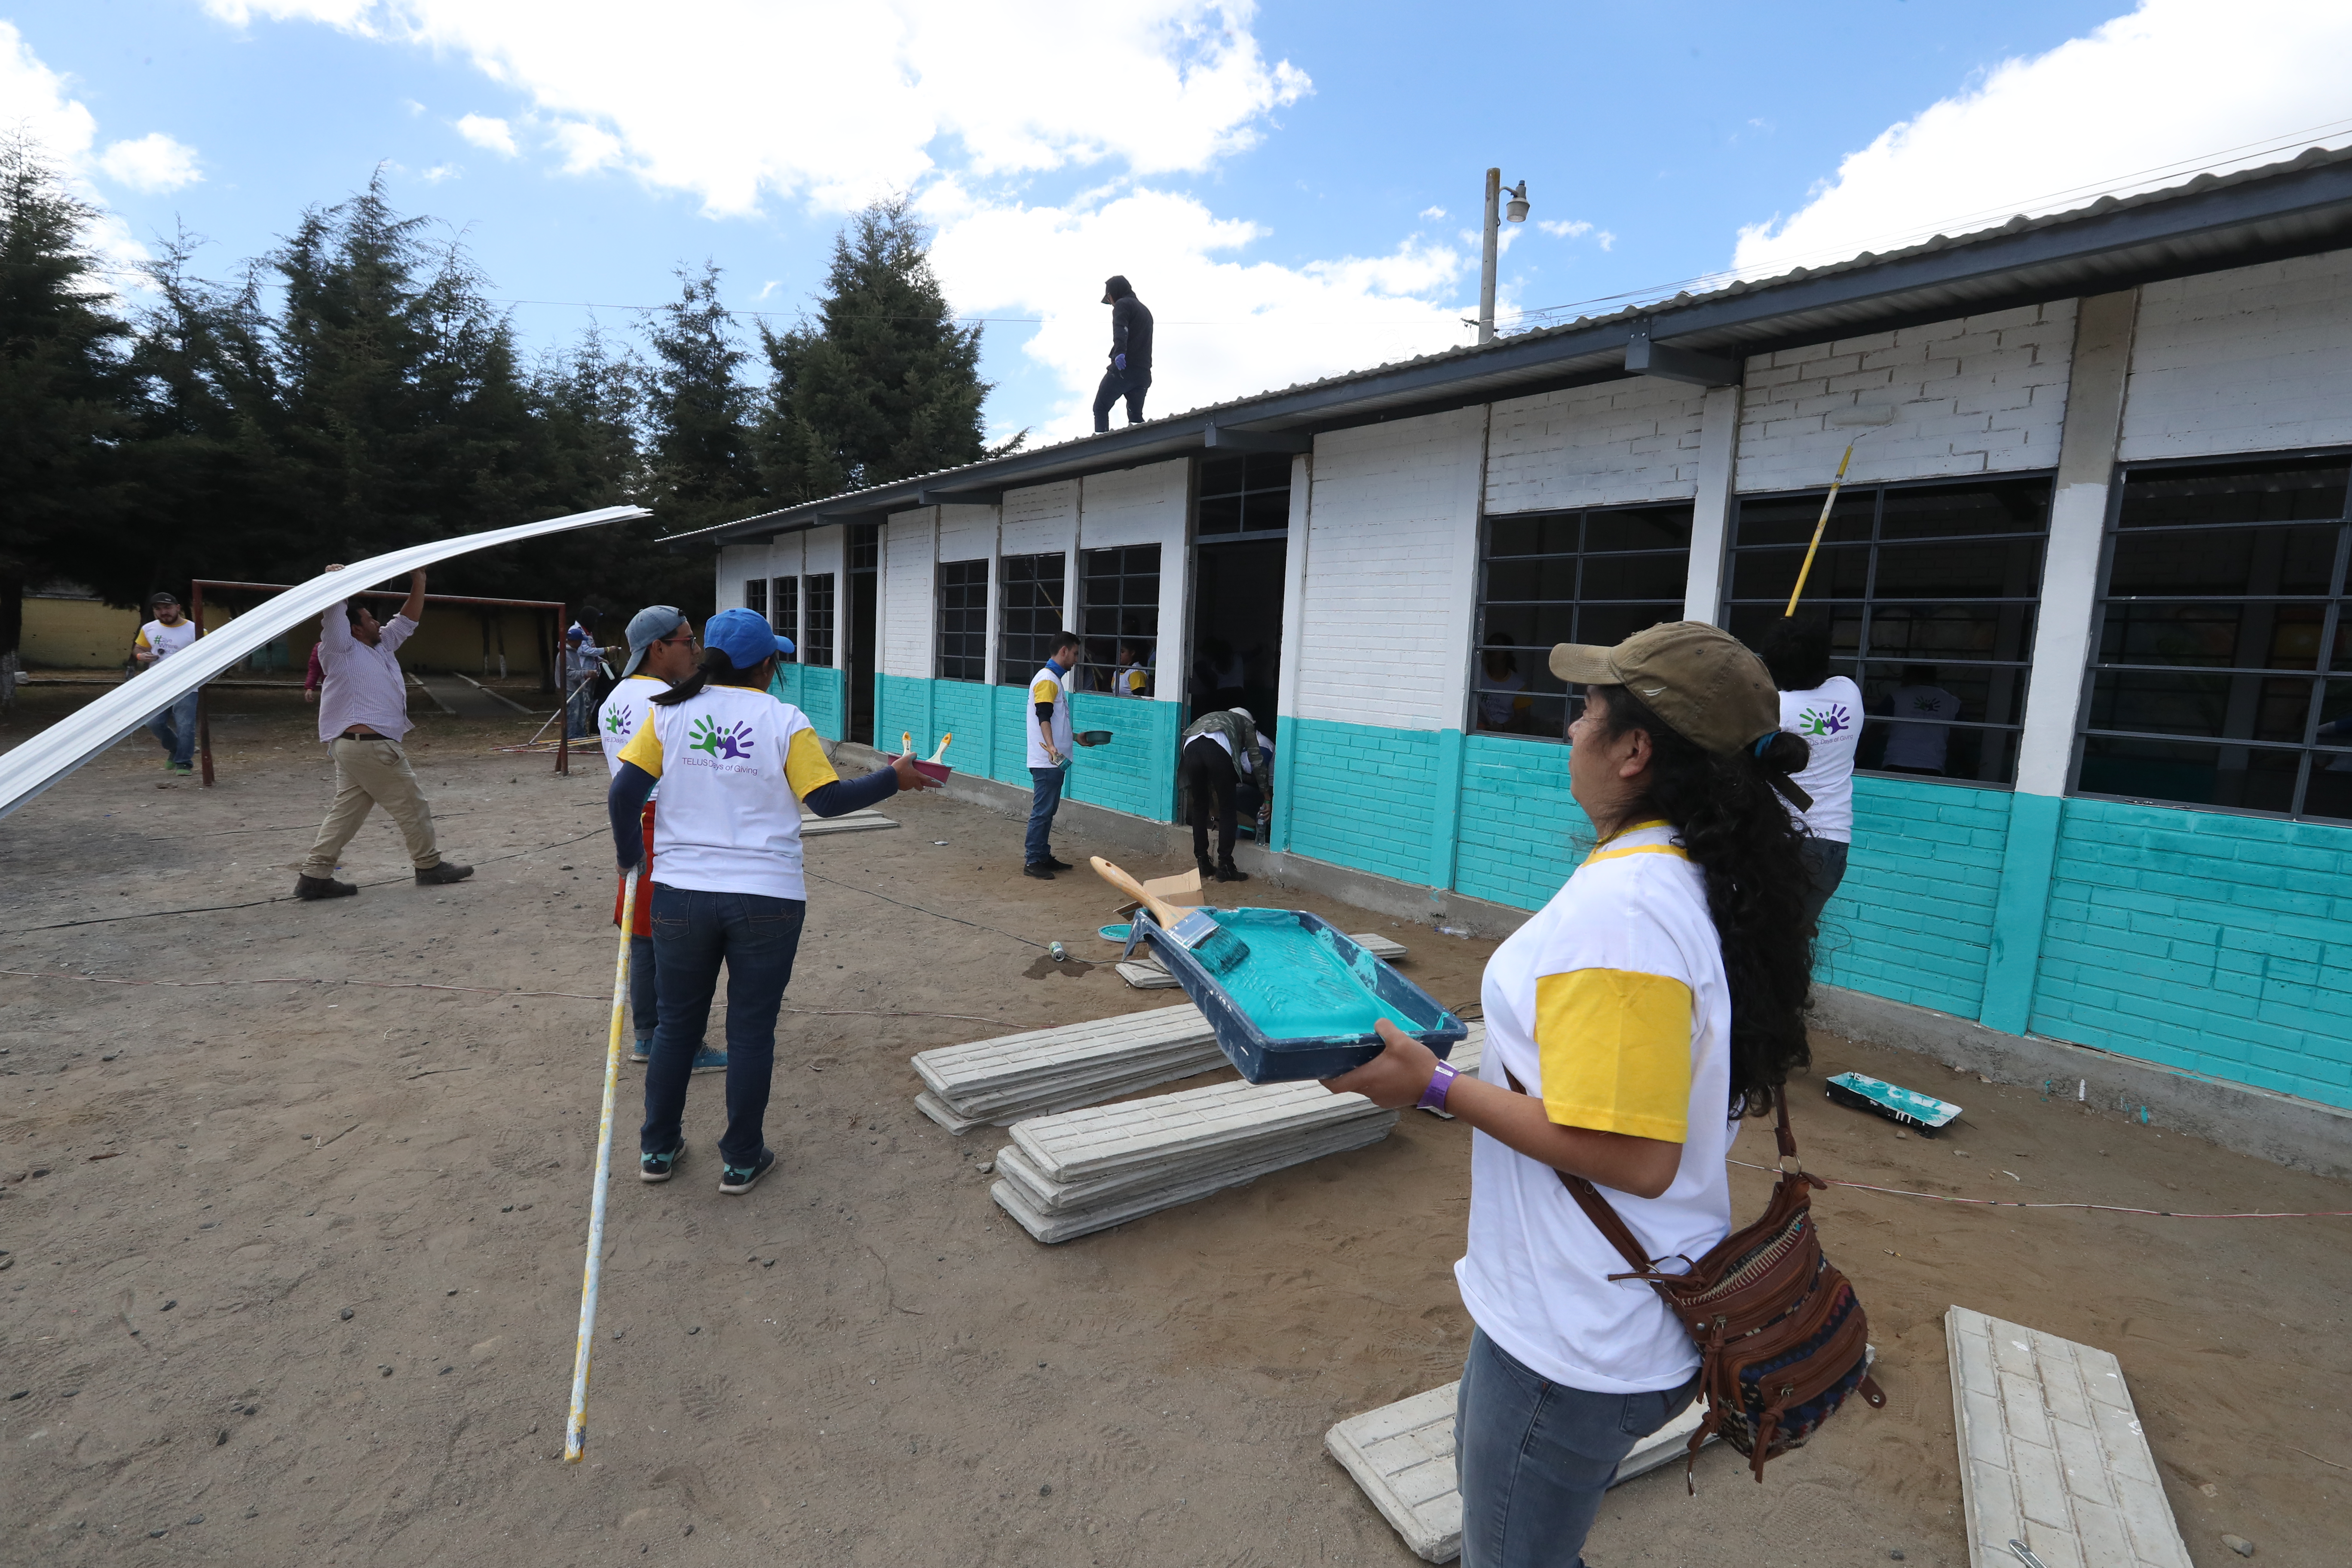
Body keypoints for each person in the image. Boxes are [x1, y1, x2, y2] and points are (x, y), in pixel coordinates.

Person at [1323, 621, 1816, 1568]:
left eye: (1587, 711)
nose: (1571, 730)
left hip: (1578, 1334)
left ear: (1635, 750)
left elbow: (1635, 1156)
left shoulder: (1625, 911)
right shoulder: (1692, 874)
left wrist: (1434, 1085)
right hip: (1590, 1303)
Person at [606, 608, 937, 1194]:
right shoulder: (784, 719)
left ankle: (657, 1149)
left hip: (681, 896)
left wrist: (632, 857)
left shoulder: (669, 714)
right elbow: (827, 802)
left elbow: (625, 791)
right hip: (767, 898)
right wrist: (896, 778)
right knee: (751, 1031)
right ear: (766, 664)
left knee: (678, 1026)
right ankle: (741, 1158)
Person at [599, 605, 726, 1076]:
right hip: (670, 825)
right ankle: (676, 1042)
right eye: (687, 641)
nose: (695, 651)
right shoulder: (670, 702)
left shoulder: (614, 698)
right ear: (657, 648)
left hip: (637, 822)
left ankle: (648, 1034)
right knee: (677, 943)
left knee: (643, 935)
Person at [296, 567, 472, 900]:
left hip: (356, 748)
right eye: (370, 620)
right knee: (413, 804)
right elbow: (333, 615)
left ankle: (314, 876)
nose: (378, 623)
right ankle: (429, 866)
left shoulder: (381, 646)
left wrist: (419, 581)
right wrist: (337, 583)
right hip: (370, 746)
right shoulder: (339, 648)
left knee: (346, 812)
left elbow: (407, 620)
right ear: (354, 629)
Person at [1759, 618, 1862, 936]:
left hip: (1785, 844)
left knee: (1760, 945)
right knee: (1791, 947)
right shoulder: (1849, 692)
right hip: (1833, 847)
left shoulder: (1773, 712)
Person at [1023, 630, 1084, 880]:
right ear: (1064, 651)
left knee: (1048, 810)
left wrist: (1075, 737)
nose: (1076, 659)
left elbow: (1055, 720)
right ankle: (1033, 859)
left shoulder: (1052, 679)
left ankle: (1042, 855)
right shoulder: (1048, 679)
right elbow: (1044, 715)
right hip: (1047, 761)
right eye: (1075, 654)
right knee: (1043, 811)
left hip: (1052, 761)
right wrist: (1052, 747)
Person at [1180, 706, 1265, 883]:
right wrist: (1267, 796)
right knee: (1228, 809)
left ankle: (1203, 862)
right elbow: (1256, 760)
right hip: (1218, 750)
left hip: (1191, 747)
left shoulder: (1212, 716)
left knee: (1199, 806)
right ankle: (1226, 866)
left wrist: (1212, 805)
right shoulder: (1245, 723)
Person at [135, 593, 201, 775]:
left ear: (178, 608)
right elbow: (139, 649)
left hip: (187, 684)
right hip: (158, 684)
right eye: (158, 609)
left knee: (185, 725)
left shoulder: (195, 629)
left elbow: (209, 652)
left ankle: (184, 762)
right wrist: (141, 656)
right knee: (153, 722)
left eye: (167, 608)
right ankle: (174, 748)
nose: (163, 612)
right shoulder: (149, 628)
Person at [1092, 274, 1153, 433]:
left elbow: (1121, 329)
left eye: (1109, 298)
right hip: (1143, 374)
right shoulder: (1145, 311)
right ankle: (1142, 448)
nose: (1111, 303)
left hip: (1124, 370)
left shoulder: (1122, 305)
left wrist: (1120, 353)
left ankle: (1102, 448)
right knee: (1136, 419)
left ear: (1113, 293)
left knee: (1100, 407)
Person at [1879, 664, 1960, 776]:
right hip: (1933, 767)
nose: (1903, 679)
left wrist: (1857, 755)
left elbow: (1876, 728)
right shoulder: (1953, 702)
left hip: (1896, 763)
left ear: (1913, 675)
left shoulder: (1896, 696)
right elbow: (1956, 742)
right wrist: (1967, 766)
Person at [1477, 634, 1531, 733]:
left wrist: (1502, 727)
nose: (1492, 648)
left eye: (1497, 645)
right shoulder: (1476, 675)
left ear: (1507, 652)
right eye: (1489, 645)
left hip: (1504, 733)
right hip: (1477, 730)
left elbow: (1521, 716)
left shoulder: (1518, 684)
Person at [564, 621, 609, 739]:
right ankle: (570, 738)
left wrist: (599, 660)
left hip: (578, 687)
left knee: (581, 714)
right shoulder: (565, 655)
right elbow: (568, 673)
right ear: (574, 641)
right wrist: (586, 673)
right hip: (570, 689)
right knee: (573, 715)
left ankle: (580, 735)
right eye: (580, 641)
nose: (581, 644)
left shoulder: (574, 652)